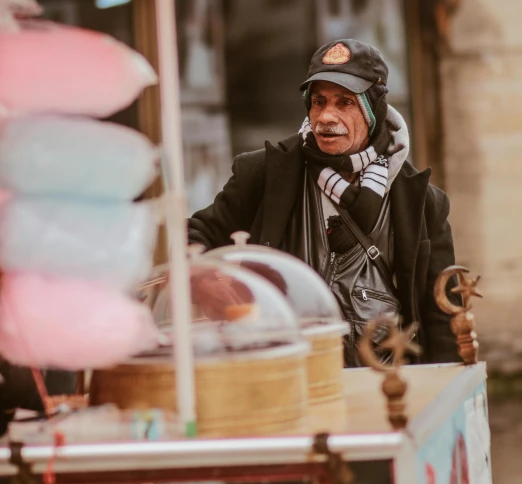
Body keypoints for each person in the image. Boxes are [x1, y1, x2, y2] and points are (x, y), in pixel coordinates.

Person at [188, 39, 459, 365]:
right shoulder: (263, 175)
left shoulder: (421, 203)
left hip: (386, 388)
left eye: (345, 102)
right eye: (318, 101)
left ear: (374, 110)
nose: (326, 117)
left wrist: (445, 391)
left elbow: (444, 318)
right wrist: (209, 282)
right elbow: (195, 236)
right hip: (287, 379)